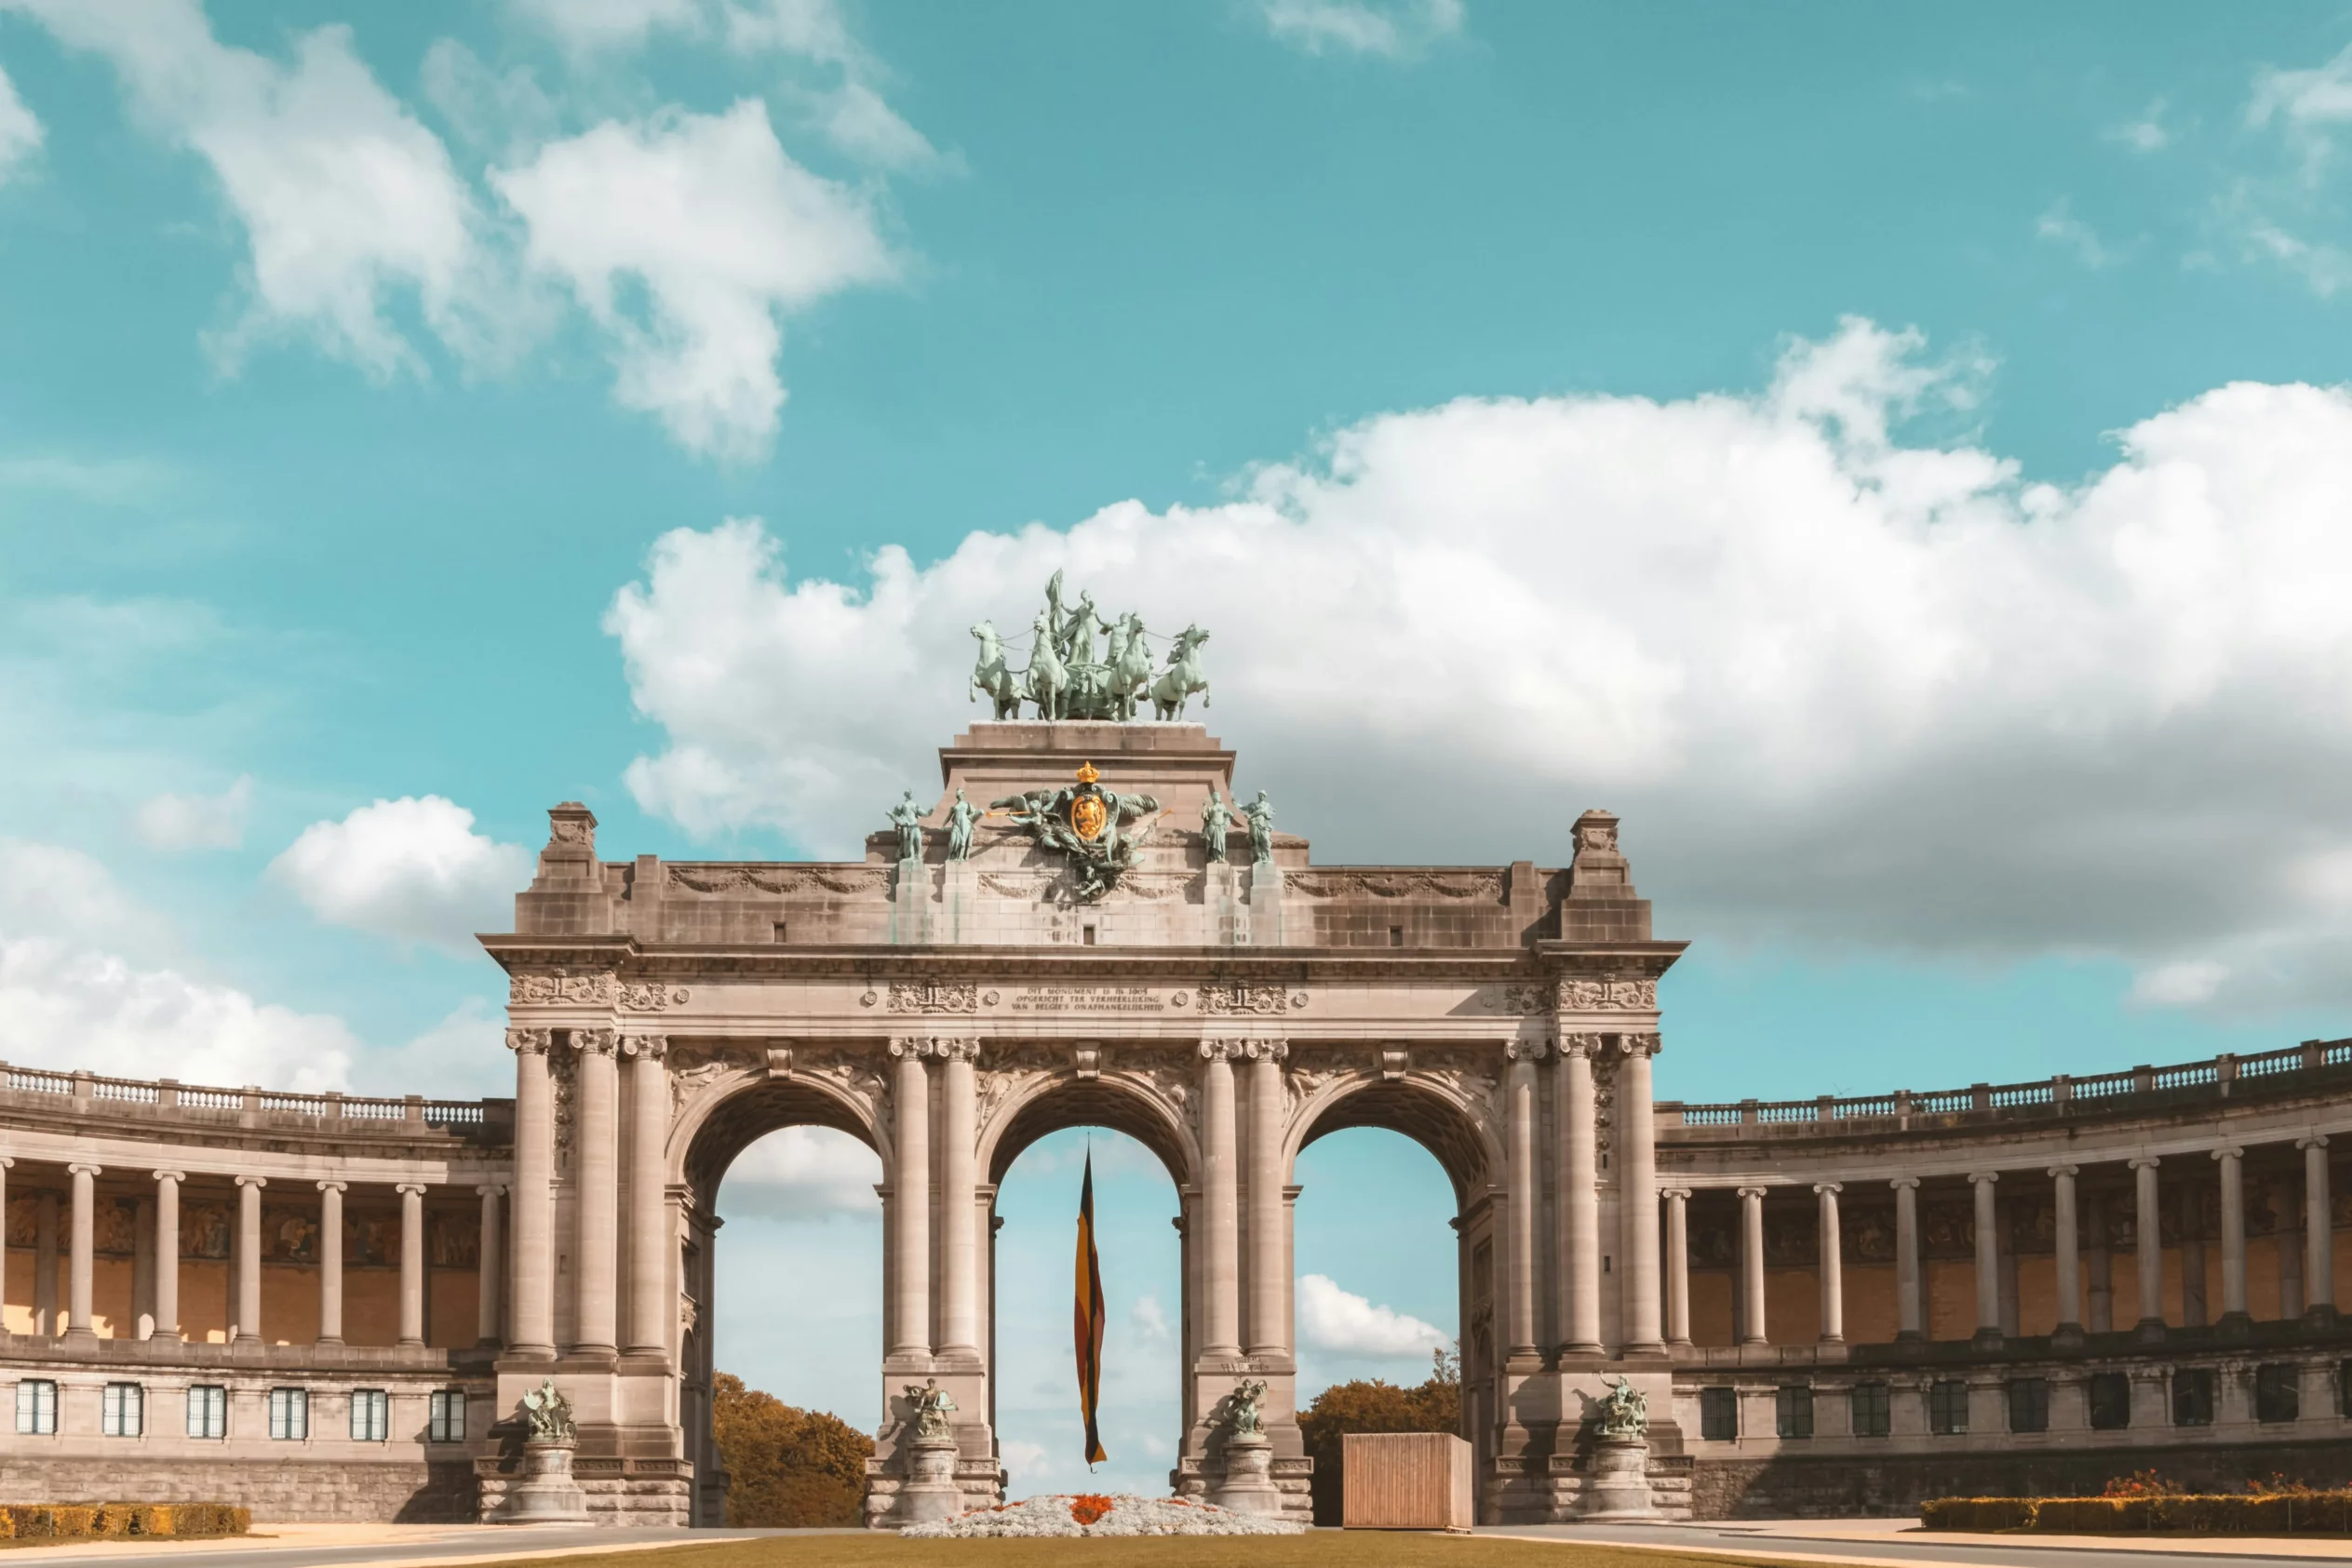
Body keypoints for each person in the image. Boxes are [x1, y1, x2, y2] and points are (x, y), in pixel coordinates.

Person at [945, 788, 980, 861]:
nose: (961, 796)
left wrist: (971, 822)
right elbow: (949, 816)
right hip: (956, 825)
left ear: (963, 795)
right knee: (953, 840)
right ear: (957, 796)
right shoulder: (954, 806)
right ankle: (950, 855)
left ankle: (960, 857)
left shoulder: (967, 805)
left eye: (962, 794)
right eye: (959, 795)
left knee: (962, 842)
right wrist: (943, 825)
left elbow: (974, 813)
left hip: (965, 824)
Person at [1201, 786, 1233, 864]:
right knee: (1213, 843)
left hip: (1221, 826)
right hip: (1213, 825)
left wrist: (1229, 815)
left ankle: (1221, 857)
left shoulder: (1223, 806)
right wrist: (1204, 807)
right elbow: (1204, 816)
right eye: (1215, 796)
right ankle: (1215, 858)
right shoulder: (1210, 808)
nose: (1217, 798)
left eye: (1218, 796)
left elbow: (1227, 814)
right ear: (1213, 798)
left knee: (1222, 842)